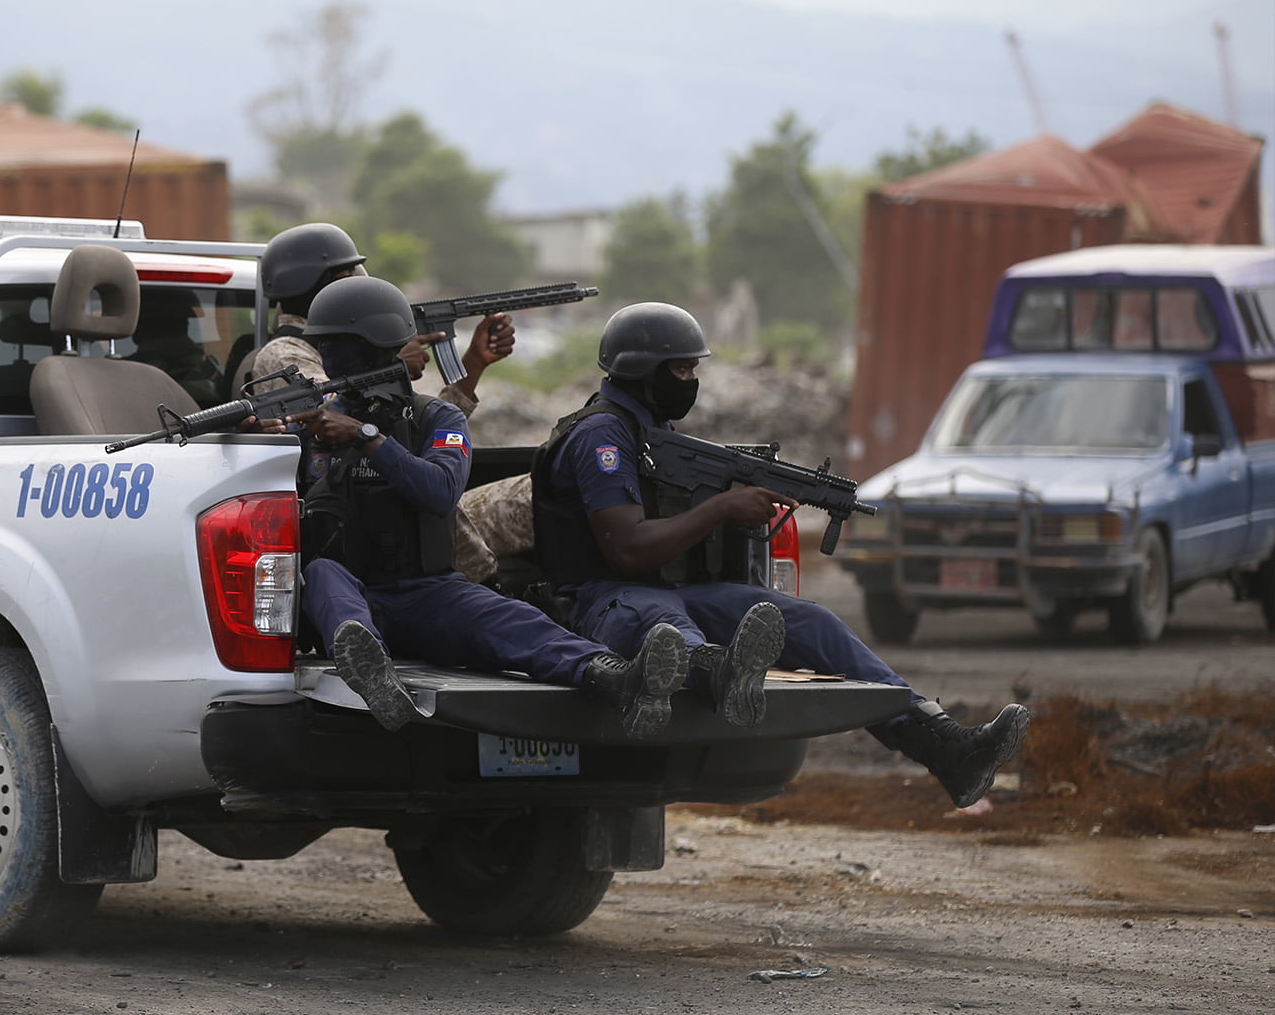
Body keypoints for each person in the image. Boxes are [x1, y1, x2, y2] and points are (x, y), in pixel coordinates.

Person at [531, 301, 1030, 807]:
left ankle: (944, 745)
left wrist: (732, 494)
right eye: (681, 369)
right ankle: (716, 670)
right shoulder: (602, 437)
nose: (691, 379)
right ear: (641, 369)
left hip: (666, 594)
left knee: (811, 624)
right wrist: (724, 506)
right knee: (663, 614)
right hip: (598, 601)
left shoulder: (652, 436)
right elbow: (628, 548)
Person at [283, 276, 772, 740]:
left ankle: (618, 679)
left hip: (425, 590)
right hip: (350, 593)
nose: (333, 359)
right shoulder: (310, 422)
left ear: (378, 347)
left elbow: (438, 490)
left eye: (343, 348)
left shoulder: (436, 416)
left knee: (516, 623)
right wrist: (279, 439)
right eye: (327, 349)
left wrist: (368, 439)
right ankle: (369, 670)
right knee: (324, 573)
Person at [248, 222, 518, 579]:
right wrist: (388, 362)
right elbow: (334, 415)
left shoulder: (315, 348)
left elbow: (411, 426)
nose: (356, 280)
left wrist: (471, 365)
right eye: (345, 275)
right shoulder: (284, 352)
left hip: (413, 540)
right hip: (360, 547)